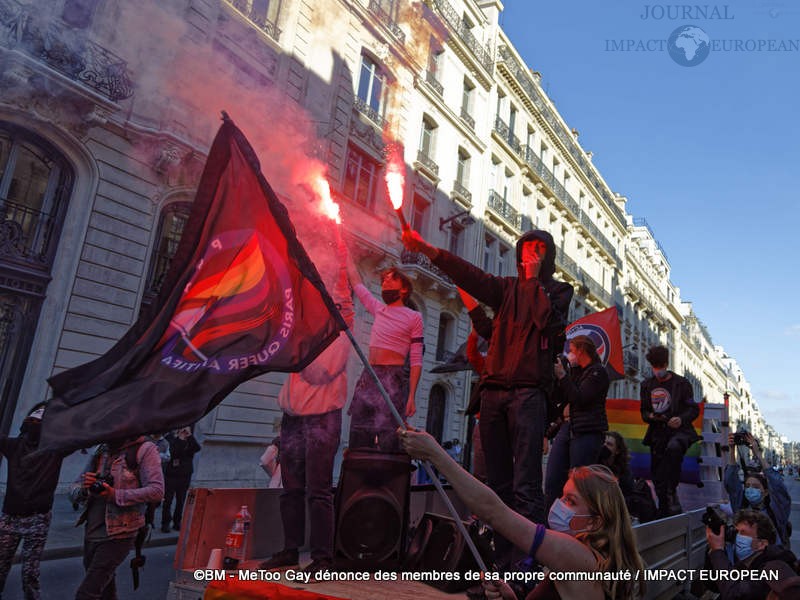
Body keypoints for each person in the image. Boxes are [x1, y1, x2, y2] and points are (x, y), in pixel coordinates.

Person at [403, 227, 573, 566]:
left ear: (548, 255)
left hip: (528, 395)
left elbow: (546, 322)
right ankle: (500, 561)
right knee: (496, 486)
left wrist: (533, 280)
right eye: (527, 247)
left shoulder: (558, 290)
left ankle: (526, 567)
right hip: (494, 394)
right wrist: (431, 251)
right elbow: (472, 276)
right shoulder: (505, 289)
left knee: (526, 485)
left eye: (540, 248)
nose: (532, 253)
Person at [398, 428, 645, 599]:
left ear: (595, 522)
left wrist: (434, 454)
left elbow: (494, 512)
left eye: (571, 501)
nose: (558, 505)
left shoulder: (576, 556)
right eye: (562, 495)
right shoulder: (594, 560)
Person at [259, 244, 353, 575]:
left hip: (322, 421)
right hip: (293, 419)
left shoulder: (339, 337)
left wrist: (299, 350)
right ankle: (289, 549)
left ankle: (323, 558)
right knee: (291, 490)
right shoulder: (305, 331)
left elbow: (320, 372)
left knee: (318, 490)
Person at [69, 436, 164, 600]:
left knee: (86, 594)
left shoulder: (144, 449)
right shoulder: (101, 449)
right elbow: (74, 487)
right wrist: (85, 489)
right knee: (105, 592)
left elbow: (157, 491)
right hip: (93, 531)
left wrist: (115, 495)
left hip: (121, 532)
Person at [346, 263, 422, 453]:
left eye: (391, 278)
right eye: (383, 280)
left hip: (394, 378)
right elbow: (357, 284)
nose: (385, 282)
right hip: (369, 375)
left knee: (389, 435)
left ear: (404, 289)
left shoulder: (414, 317)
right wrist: (343, 248)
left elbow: (416, 359)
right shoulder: (379, 309)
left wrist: (411, 396)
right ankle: (358, 471)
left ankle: (386, 476)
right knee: (359, 430)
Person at [0, 403, 64, 600]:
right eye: (32, 421)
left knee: (30, 573)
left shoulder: (53, 450)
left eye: (39, 423)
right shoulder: (14, 446)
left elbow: (80, 437)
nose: (34, 426)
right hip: (10, 518)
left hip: (37, 519)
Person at [544, 335, 609, 514]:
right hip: (567, 428)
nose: (570, 355)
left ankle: (576, 521)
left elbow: (579, 399)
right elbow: (562, 400)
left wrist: (564, 376)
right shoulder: (576, 373)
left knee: (577, 483)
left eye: (572, 351)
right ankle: (549, 523)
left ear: (581, 351)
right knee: (553, 480)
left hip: (587, 432)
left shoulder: (597, 373)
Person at [639, 344, 700, 517]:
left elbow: (693, 409)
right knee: (657, 472)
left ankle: (671, 491)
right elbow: (643, 412)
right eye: (655, 367)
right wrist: (651, 416)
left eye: (660, 366)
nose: (658, 371)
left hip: (680, 431)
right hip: (657, 432)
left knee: (673, 449)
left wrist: (680, 419)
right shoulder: (646, 385)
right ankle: (664, 508)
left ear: (667, 364)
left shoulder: (681, 383)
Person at [705, 509, 798, 600]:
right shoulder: (747, 565)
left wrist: (718, 551)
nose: (737, 537)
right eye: (736, 532)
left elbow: (733, 595)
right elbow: (714, 584)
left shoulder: (773, 568)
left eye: (742, 532)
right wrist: (712, 550)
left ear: (761, 544)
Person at [725, 431, 791, 548]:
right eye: (747, 486)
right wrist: (732, 450)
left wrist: (758, 453)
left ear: (766, 492)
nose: (750, 490)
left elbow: (778, 486)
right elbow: (731, 484)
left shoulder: (776, 511)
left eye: (756, 487)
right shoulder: (741, 508)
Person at [161, 426, 201, 533]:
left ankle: (177, 522)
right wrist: (180, 439)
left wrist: (190, 436)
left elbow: (197, 448)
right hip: (172, 475)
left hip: (185, 474)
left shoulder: (190, 439)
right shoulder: (171, 438)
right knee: (168, 500)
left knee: (181, 500)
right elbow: (173, 453)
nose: (184, 430)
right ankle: (165, 523)